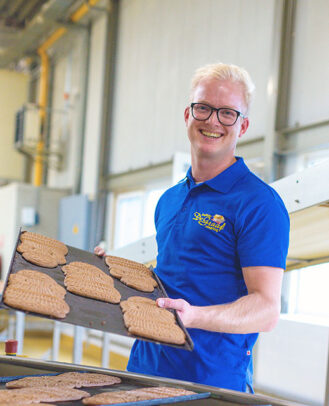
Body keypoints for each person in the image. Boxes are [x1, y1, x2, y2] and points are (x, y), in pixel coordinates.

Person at [95, 62, 290, 393]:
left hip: (210, 383)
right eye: (203, 108)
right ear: (188, 115)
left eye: (227, 113)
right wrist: (109, 275)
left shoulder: (260, 204)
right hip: (144, 371)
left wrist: (194, 316)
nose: (213, 120)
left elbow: (267, 309)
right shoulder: (169, 199)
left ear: (242, 127)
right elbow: (170, 279)